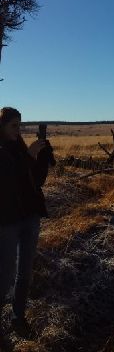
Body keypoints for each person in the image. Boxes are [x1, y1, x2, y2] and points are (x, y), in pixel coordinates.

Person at [0, 107, 48, 343]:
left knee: (25, 273)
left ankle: (18, 318)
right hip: (7, 221)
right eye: (14, 126)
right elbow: (8, 181)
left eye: (20, 125)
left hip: (30, 217)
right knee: (5, 275)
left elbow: (36, 181)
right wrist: (29, 157)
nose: (19, 130)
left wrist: (42, 158)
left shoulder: (20, 147)